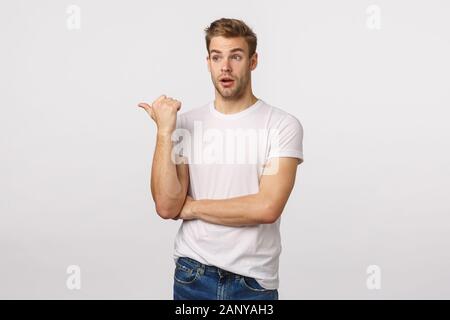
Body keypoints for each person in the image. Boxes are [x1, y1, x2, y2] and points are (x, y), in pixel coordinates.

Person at [138, 18, 304, 300]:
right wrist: (165, 131)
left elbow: (266, 207)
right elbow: (167, 206)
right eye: (217, 57)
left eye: (235, 56)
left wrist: (191, 209)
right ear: (208, 62)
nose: (225, 67)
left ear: (253, 61)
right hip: (193, 275)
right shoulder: (185, 124)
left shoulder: (281, 125)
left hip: (253, 283)